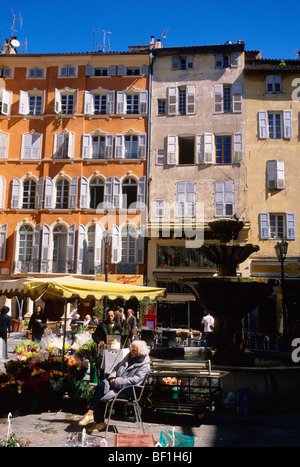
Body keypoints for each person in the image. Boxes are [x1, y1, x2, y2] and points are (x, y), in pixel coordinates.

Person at [78, 340, 150, 433]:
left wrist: (117, 382)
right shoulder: (129, 356)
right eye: (131, 349)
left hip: (129, 389)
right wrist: (112, 377)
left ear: (140, 353)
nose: (131, 351)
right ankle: (92, 415)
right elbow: (116, 367)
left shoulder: (144, 365)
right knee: (101, 386)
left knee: (102, 392)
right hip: (118, 383)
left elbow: (135, 380)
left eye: (134, 350)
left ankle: (96, 419)